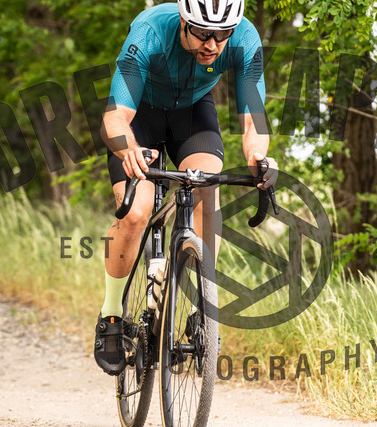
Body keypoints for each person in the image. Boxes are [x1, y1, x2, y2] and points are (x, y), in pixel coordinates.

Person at [94, 0, 278, 375]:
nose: (212, 44)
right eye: (202, 33)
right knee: (136, 212)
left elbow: (253, 120)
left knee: (206, 188)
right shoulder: (149, 31)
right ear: (183, 21)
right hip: (138, 117)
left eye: (222, 35)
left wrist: (258, 157)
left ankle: (201, 309)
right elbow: (115, 117)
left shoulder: (245, 37)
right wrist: (128, 150)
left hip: (192, 114)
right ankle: (111, 314)